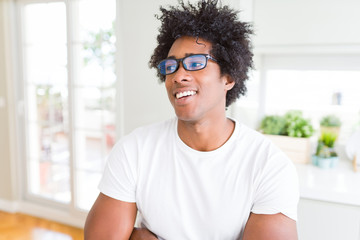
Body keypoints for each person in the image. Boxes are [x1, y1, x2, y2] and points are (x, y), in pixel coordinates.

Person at [84, 0, 299, 239]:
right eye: (170, 66)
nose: (179, 76)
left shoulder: (269, 167)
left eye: (196, 63)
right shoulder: (134, 150)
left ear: (228, 77)